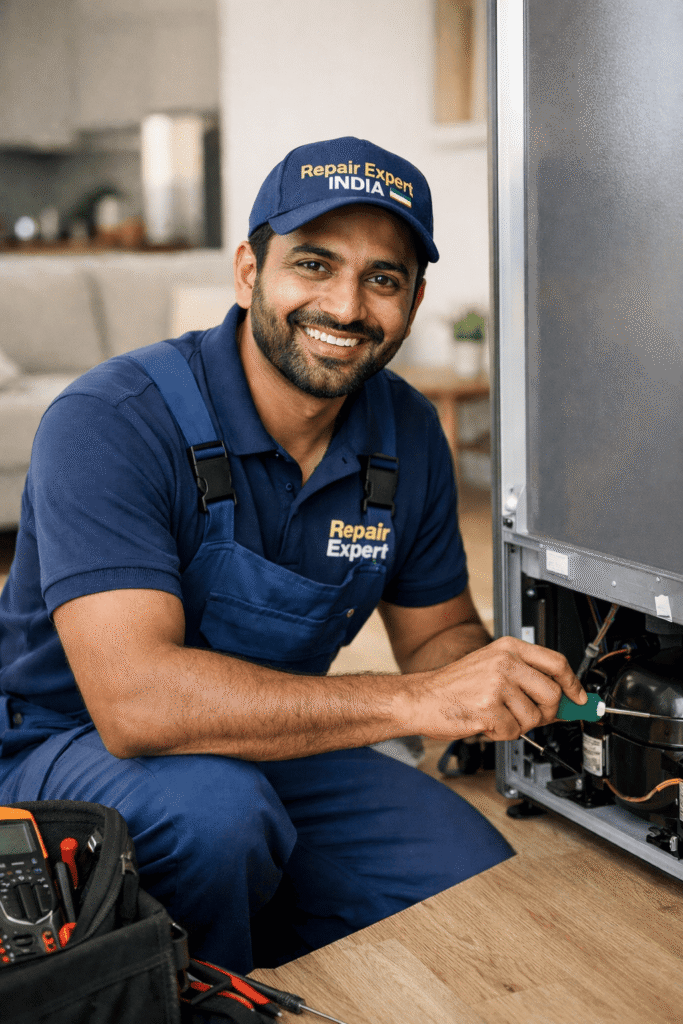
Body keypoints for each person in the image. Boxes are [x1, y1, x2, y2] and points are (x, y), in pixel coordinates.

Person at [0, 137, 585, 971]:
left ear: (414, 301)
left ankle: (230, 930)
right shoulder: (113, 419)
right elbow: (136, 705)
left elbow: (434, 638)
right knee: (217, 821)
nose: (346, 306)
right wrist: (414, 703)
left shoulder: (407, 434)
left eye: (383, 278)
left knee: (462, 871)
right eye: (313, 263)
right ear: (248, 272)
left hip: (271, 742)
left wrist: (492, 680)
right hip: (63, 744)